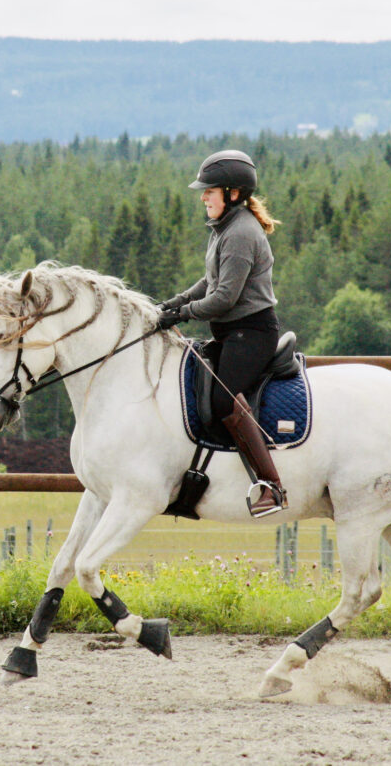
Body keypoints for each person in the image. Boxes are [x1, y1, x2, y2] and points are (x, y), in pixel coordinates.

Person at [158, 149, 287, 518]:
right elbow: (209, 282)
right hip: (233, 333)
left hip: (251, 333)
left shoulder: (242, 233)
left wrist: (181, 315)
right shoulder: (225, 228)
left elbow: (224, 298)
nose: (203, 197)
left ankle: (271, 485)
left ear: (232, 193)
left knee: (222, 402)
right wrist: (173, 303)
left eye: (209, 191)